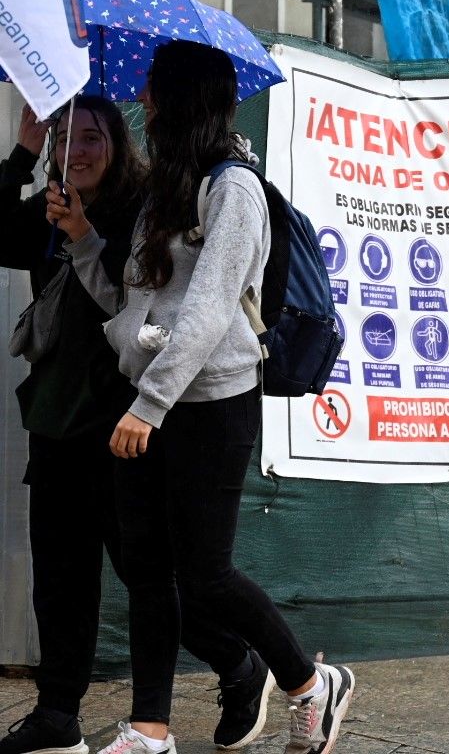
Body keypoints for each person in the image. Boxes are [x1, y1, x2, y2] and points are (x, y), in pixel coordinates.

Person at [63, 43, 355, 754]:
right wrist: (78, 242)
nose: (146, 105)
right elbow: (136, 305)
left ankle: (311, 683)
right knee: (146, 573)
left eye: (155, 93)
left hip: (210, 405)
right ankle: (150, 729)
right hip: (149, 399)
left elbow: (211, 311)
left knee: (207, 575)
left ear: (184, 100)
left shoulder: (234, 190)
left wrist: (150, 405)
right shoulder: (166, 189)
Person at [0, 100, 268, 754]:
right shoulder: (51, 204)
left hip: (127, 423)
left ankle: (239, 666)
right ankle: (58, 714)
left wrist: (86, 237)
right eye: (66, 138)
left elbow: (146, 311)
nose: (78, 150)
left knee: (156, 579)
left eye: (90, 136)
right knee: (60, 577)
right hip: (59, 420)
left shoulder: (148, 206)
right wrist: (24, 153)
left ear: (119, 143)